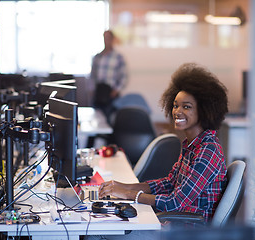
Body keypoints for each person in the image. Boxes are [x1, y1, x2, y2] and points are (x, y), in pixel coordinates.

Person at [96, 63, 228, 239]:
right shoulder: (191, 145)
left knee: (100, 234)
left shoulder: (208, 151)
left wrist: (128, 194)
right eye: (175, 105)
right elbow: (169, 183)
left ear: (204, 110)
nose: (177, 112)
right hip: (172, 225)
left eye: (186, 106)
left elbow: (175, 202)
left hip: (187, 233)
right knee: (103, 227)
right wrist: (121, 186)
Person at [90, 30, 128, 118]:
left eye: (108, 38)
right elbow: (92, 76)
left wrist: (116, 90)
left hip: (111, 93)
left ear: (112, 39)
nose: (106, 40)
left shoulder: (118, 57)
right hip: (98, 92)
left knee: (110, 118)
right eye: (105, 38)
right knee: (97, 118)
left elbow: (124, 76)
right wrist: (92, 90)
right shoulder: (97, 57)